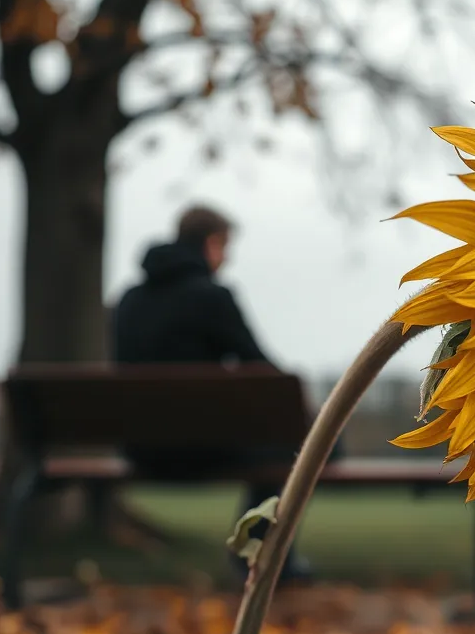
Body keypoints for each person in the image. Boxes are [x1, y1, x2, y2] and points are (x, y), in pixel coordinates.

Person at [111, 204, 321, 584]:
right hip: (198, 449)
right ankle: (262, 558)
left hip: (140, 449)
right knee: (296, 447)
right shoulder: (212, 297)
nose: (226, 260)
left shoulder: (128, 301)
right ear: (211, 243)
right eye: (226, 248)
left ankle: (258, 554)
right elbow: (262, 370)